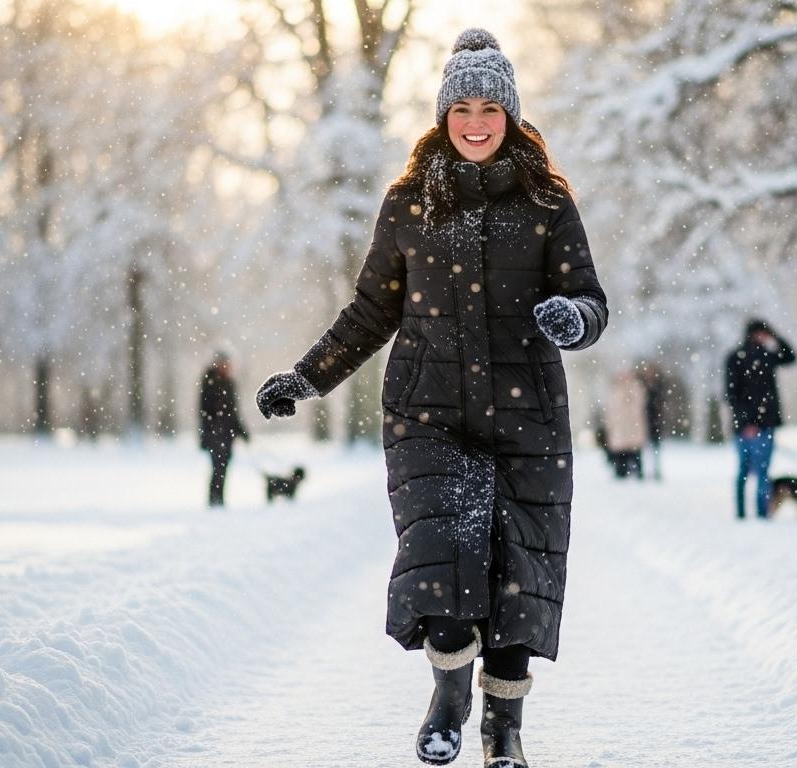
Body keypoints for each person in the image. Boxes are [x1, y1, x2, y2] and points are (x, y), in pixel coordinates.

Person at [254, 29, 607, 768]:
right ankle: (449, 692)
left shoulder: (546, 204)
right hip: (429, 417)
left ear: (510, 115)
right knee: (442, 560)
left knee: (520, 578)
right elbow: (372, 311)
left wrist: (572, 318)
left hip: (528, 420)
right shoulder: (409, 203)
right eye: (461, 108)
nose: (475, 122)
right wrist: (309, 376)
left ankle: (503, 730)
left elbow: (589, 298)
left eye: (490, 108)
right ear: (442, 116)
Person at [724, 319, 797, 520]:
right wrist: (749, 422)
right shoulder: (750, 357)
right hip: (757, 423)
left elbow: (790, 357)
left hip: (756, 423)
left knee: (750, 471)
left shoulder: (756, 356)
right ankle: (756, 513)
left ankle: (751, 513)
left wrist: (745, 421)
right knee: (755, 471)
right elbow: (732, 393)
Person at [198, 351, 249, 507]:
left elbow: (233, 411)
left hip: (227, 433)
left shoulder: (229, 383)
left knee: (224, 466)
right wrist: (213, 427)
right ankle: (214, 499)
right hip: (214, 434)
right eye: (225, 364)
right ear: (218, 364)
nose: (227, 367)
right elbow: (204, 410)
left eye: (228, 364)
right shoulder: (209, 382)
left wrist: (242, 430)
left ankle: (219, 498)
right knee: (217, 466)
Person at [605, 368, 648, 479]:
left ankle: (635, 472)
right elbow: (611, 410)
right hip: (621, 429)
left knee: (635, 454)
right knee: (621, 456)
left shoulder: (636, 388)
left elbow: (638, 407)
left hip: (632, 428)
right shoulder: (615, 390)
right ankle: (621, 472)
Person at [637, 362, 666, 481]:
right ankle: (645, 470)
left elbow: (661, 405)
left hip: (655, 423)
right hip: (644, 422)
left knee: (655, 449)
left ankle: (655, 470)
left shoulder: (658, 387)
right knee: (644, 449)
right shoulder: (642, 387)